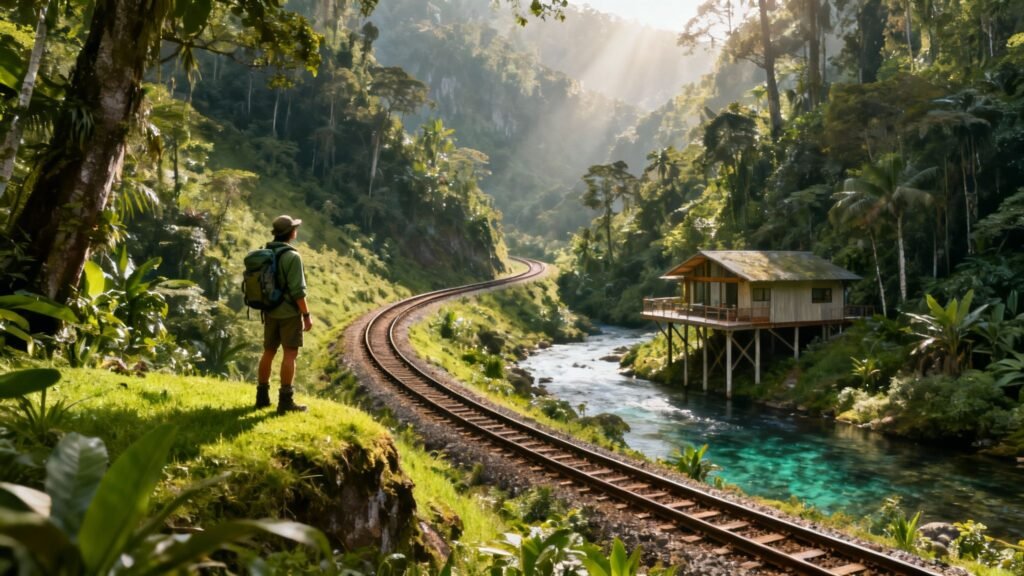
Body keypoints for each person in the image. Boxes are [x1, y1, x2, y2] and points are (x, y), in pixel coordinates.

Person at [256, 215, 313, 413]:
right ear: (291, 233)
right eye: (294, 229)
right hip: (289, 313)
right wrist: (306, 315)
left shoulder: (265, 251)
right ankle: (285, 401)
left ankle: (261, 397)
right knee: (290, 354)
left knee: (269, 351)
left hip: (270, 311)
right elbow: (298, 291)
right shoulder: (292, 256)